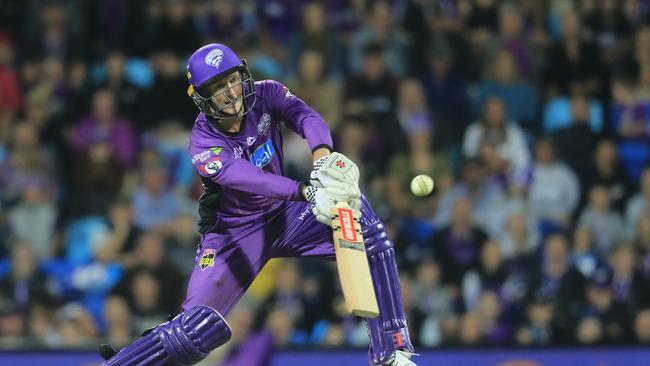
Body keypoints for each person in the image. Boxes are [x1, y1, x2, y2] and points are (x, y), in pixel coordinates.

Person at [99, 43, 416, 366]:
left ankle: (392, 351)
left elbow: (305, 116)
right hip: (234, 236)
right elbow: (251, 180)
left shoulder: (267, 94)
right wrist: (307, 191)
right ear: (200, 97)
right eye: (217, 87)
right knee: (196, 332)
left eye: (233, 79)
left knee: (366, 228)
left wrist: (323, 158)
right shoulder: (203, 142)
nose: (231, 92)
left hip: (286, 217)